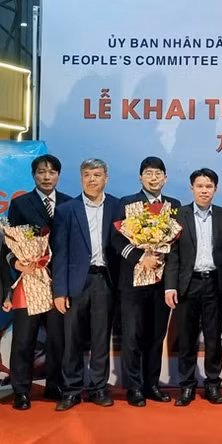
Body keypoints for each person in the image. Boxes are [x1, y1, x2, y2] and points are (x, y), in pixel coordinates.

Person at [164, 168, 222, 407]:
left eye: (209, 186)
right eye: (200, 186)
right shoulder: (179, 215)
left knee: (214, 337)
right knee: (186, 338)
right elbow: (172, 255)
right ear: (191, 188)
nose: (204, 190)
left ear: (215, 189)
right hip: (188, 285)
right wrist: (170, 287)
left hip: (214, 283)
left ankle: (213, 384)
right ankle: (186, 386)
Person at [52, 159, 121, 411]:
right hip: (75, 284)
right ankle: (71, 390)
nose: (92, 179)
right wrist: (59, 291)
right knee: (73, 339)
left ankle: (98, 388)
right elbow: (59, 253)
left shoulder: (117, 206)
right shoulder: (66, 210)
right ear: (81, 179)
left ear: (106, 178)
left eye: (97, 174)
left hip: (105, 281)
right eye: (87, 175)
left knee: (101, 338)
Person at [112, 157, 181, 406]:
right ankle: (134, 387)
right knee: (132, 335)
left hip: (161, 284)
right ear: (140, 177)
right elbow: (116, 240)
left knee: (155, 336)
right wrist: (142, 258)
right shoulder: (127, 203)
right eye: (148, 173)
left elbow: (176, 245)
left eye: (158, 173)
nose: (153, 178)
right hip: (132, 282)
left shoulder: (173, 205)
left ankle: (151, 384)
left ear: (165, 178)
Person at [4, 155, 70, 410]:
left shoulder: (68, 203)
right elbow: (9, 242)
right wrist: (15, 263)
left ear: (58, 176)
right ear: (34, 175)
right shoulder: (20, 203)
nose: (46, 176)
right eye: (41, 172)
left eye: (52, 172)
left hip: (57, 281)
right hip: (30, 278)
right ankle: (21, 390)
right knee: (24, 338)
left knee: (57, 338)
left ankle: (55, 385)